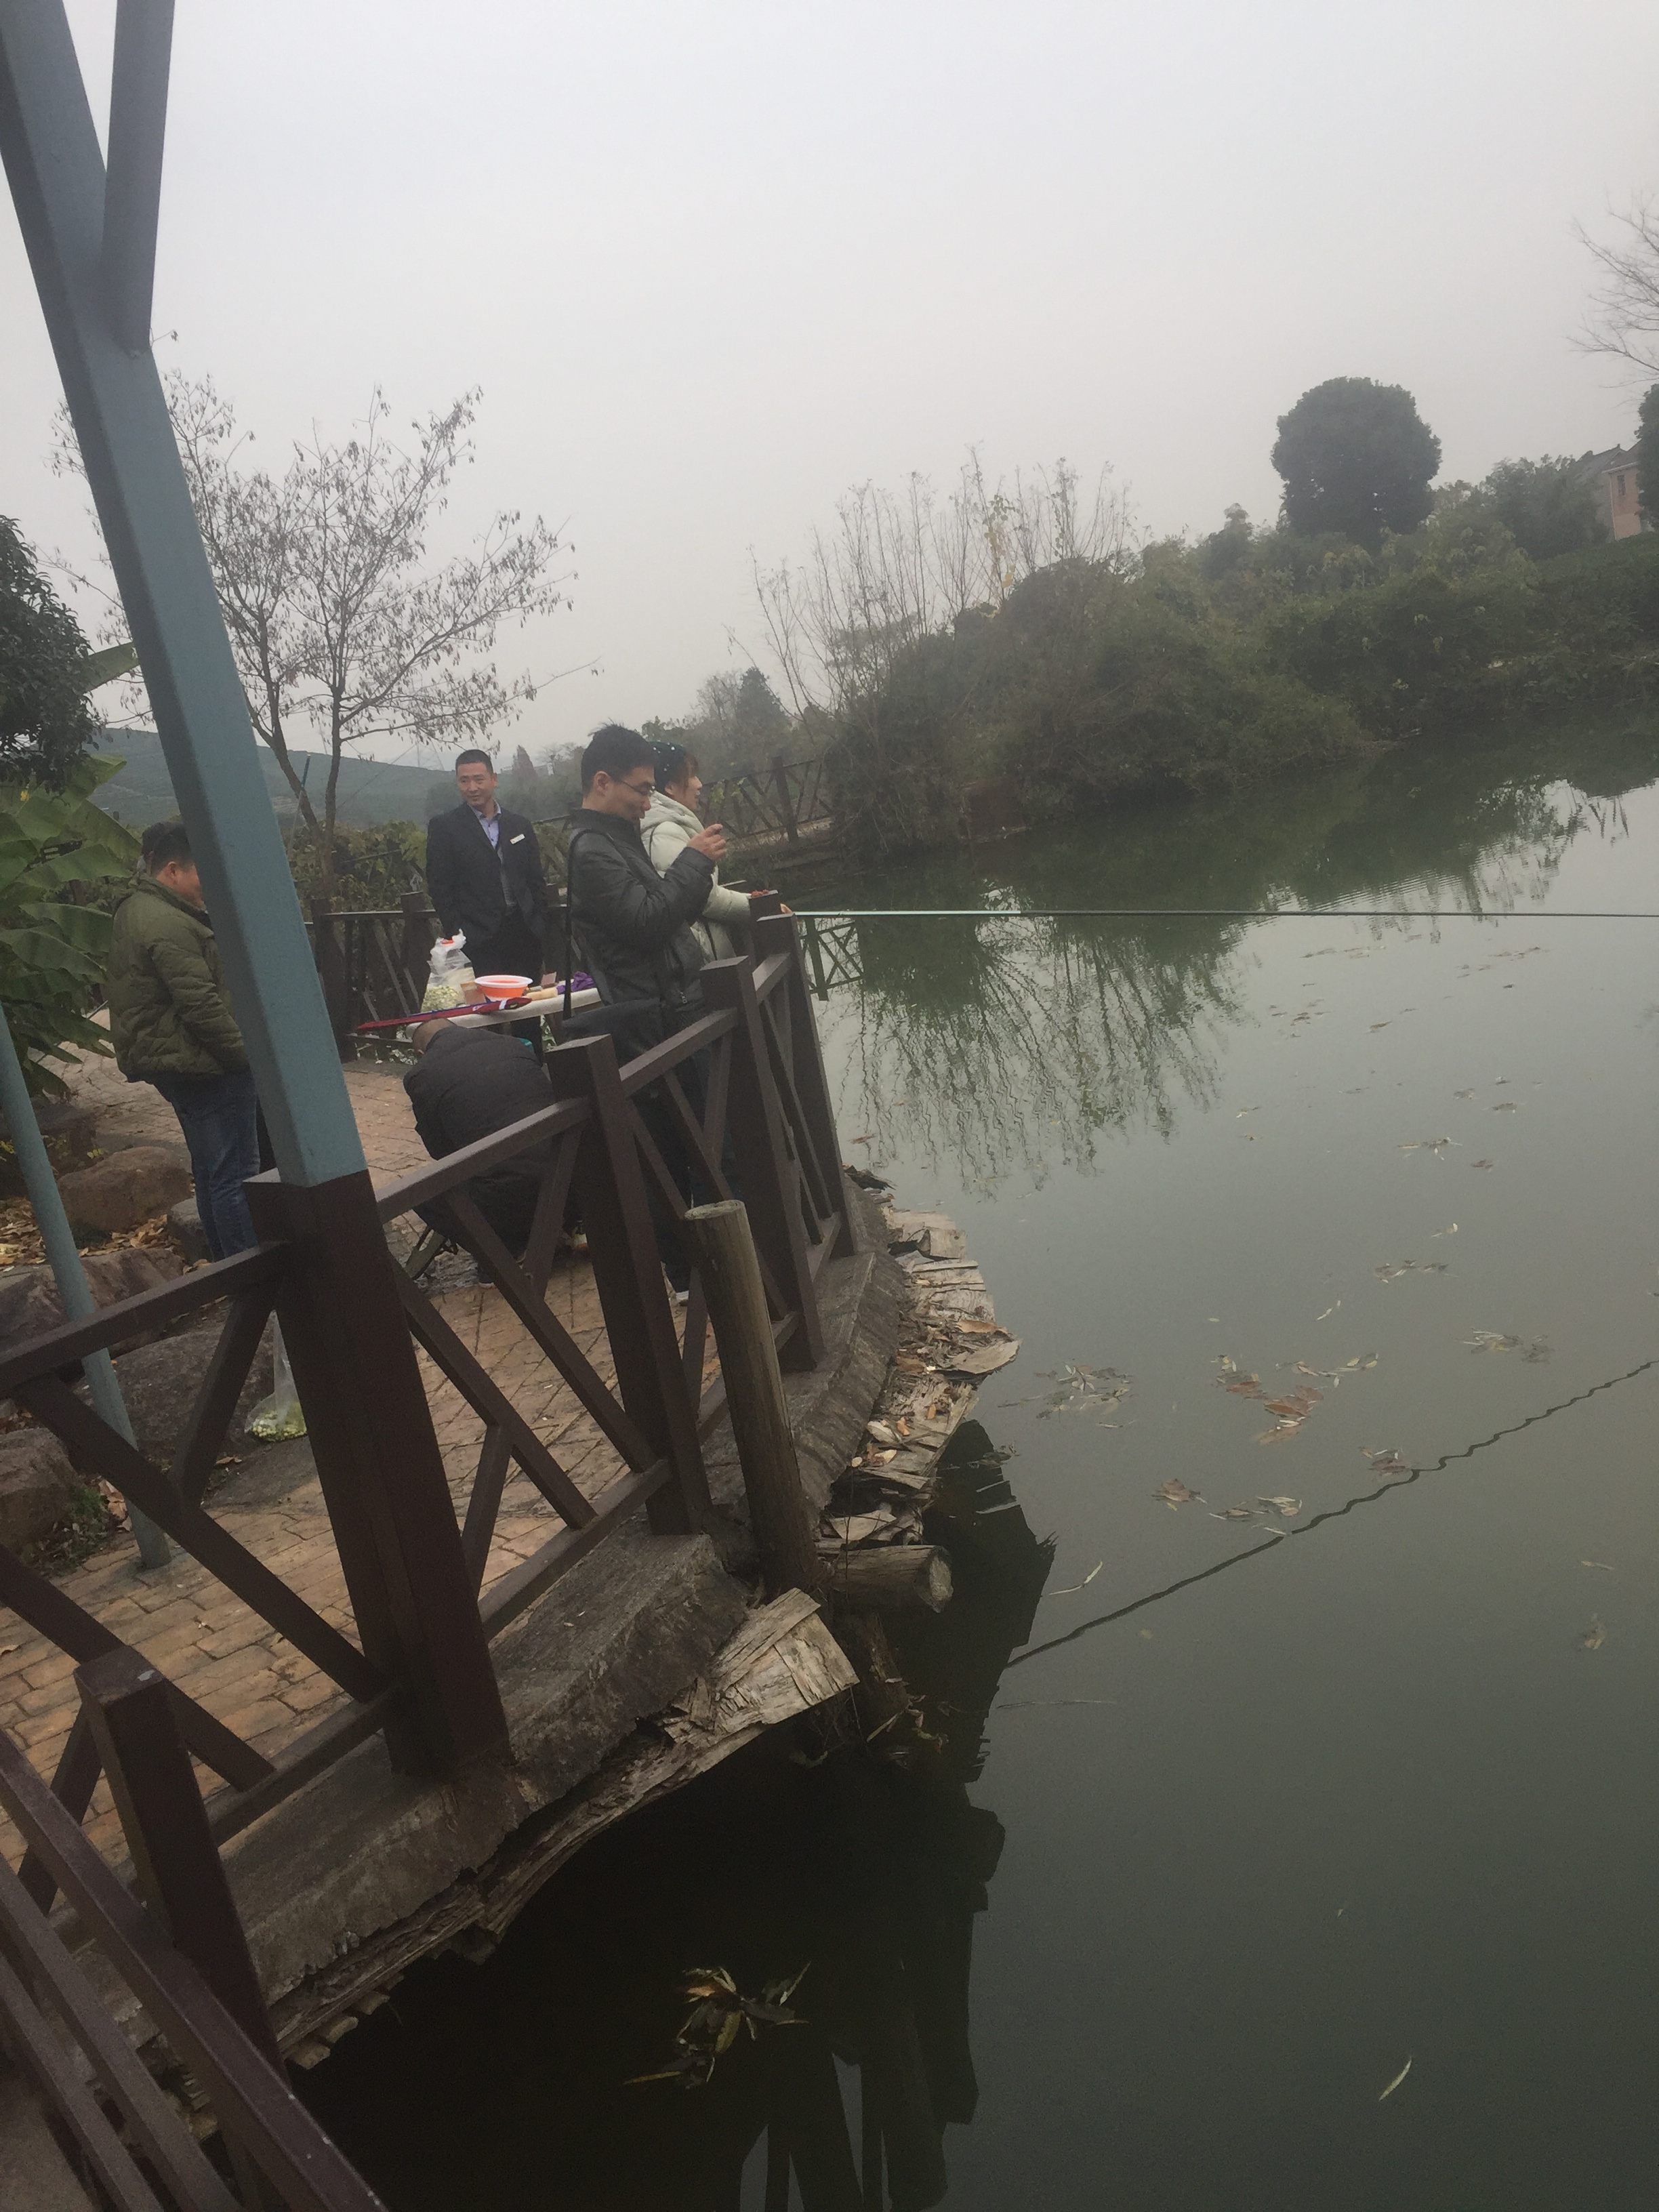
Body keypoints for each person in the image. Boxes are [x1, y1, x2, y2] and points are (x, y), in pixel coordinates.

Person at [106, 823, 261, 1258]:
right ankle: (251, 1273)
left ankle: (229, 1266)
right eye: (201, 875)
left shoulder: (138, 909)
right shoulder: (168, 923)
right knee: (235, 1175)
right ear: (173, 870)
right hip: (204, 1065)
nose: (207, 886)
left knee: (213, 1172)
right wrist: (245, 1058)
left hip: (174, 1063)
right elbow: (201, 1005)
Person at [403, 1021, 554, 1263]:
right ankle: (565, 1227)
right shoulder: (512, 1045)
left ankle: (508, 1254)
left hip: (512, 1197)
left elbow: (440, 1151)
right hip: (571, 1173)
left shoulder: (422, 1074)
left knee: (418, 1195)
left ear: (421, 1053)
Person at [425, 750, 550, 987]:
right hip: (477, 941)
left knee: (528, 1004)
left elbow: (535, 879)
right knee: (487, 1007)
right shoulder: (445, 828)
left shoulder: (518, 825)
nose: (472, 788)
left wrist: (538, 923)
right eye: (464, 781)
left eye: (479, 779)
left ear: (494, 779)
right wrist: (459, 932)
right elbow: (440, 887)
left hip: (524, 936)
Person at [639, 741, 755, 962]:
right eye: (691, 776)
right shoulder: (665, 831)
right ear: (670, 787)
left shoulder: (669, 826)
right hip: (701, 964)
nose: (699, 784)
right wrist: (754, 905)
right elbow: (703, 898)